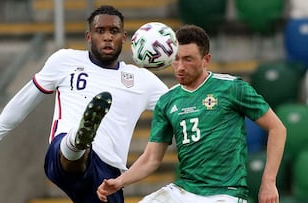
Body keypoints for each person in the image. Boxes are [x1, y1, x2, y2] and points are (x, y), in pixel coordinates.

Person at [0, 5, 168, 203]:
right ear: (89, 36)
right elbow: (23, 101)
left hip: (108, 173)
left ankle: (81, 138)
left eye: (114, 31)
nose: (107, 37)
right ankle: (79, 138)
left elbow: (179, 107)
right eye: (100, 31)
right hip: (61, 155)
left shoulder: (142, 80)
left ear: (124, 38)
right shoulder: (64, 61)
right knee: (75, 149)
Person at [97, 24, 287, 203]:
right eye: (176, 59)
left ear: (206, 60)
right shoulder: (167, 101)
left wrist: (269, 182)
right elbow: (151, 158)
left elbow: (277, 128)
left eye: (188, 59)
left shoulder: (232, 88)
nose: (180, 67)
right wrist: (120, 181)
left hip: (225, 192)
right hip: (184, 191)